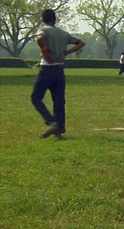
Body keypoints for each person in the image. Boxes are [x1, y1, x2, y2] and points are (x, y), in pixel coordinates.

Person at [31, 9, 86, 139]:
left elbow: (40, 39)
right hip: (59, 70)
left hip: (47, 68)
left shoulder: (44, 30)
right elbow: (81, 43)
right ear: (55, 19)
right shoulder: (63, 33)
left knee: (36, 98)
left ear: (43, 19)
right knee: (59, 101)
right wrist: (67, 52)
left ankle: (51, 122)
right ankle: (59, 132)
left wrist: (45, 51)